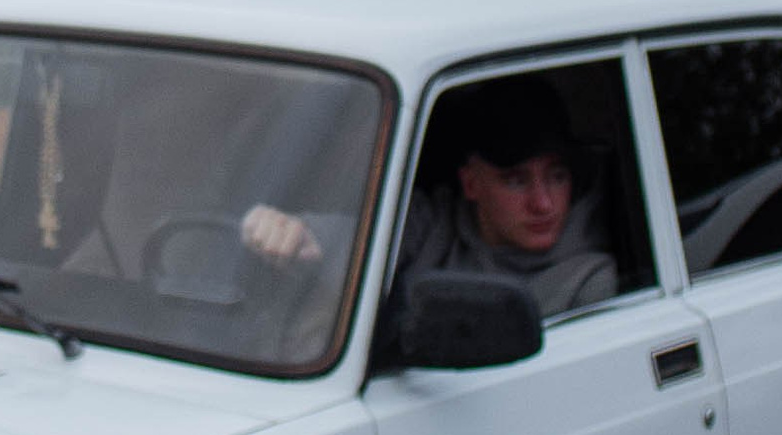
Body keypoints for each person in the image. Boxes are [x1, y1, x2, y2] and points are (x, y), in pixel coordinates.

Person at [241, 75, 616, 319]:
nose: (543, 204)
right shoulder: (433, 220)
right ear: (471, 185)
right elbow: (366, 239)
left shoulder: (589, 275)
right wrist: (295, 233)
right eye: (516, 182)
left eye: (557, 176)